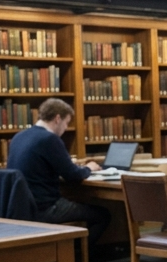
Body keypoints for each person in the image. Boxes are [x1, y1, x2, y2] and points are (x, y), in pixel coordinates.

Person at [6, 98, 111, 245]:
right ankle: (75, 257)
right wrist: (89, 168)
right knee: (103, 215)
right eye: (66, 123)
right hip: (45, 208)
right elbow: (73, 176)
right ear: (57, 118)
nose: (66, 128)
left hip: (20, 207)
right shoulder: (49, 139)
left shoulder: (19, 136)